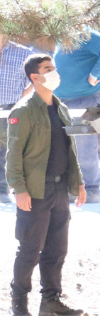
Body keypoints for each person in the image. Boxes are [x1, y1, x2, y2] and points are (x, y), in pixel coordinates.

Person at [7, 53, 87, 316]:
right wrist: (19, 189)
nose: (55, 72)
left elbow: (70, 149)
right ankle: (19, 301)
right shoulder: (24, 110)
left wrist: (79, 183)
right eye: (48, 69)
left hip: (60, 189)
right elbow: (13, 154)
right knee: (30, 249)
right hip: (35, 191)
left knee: (57, 249)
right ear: (35, 77)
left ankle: (51, 301)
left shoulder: (60, 107)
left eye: (54, 67)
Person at [53, 29, 100, 204]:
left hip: (84, 100)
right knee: (63, 147)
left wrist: (93, 75)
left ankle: (91, 190)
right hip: (61, 101)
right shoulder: (60, 34)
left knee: (85, 147)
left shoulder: (85, 34)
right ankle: (71, 189)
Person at [0, 35, 36, 205]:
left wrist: (23, 95)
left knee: (10, 151)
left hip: (11, 109)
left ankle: (4, 190)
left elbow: (39, 76)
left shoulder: (23, 53)